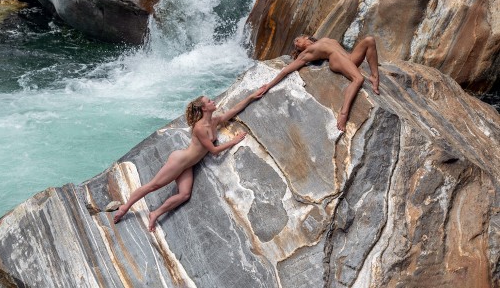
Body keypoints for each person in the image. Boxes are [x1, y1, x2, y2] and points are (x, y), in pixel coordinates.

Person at [113, 89, 264, 232]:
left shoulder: (214, 121)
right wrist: (234, 141)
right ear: (204, 108)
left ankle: (155, 214)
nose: (213, 101)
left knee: (184, 195)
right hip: (179, 161)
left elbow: (234, 110)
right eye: (209, 101)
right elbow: (214, 151)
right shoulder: (199, 128)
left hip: (188, 165)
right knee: (153, 185)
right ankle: (125, 207)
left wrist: (251, 97)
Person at [258, 35, 380, 132]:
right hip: (336, 59)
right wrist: (268, 85)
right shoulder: (306, 53)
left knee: (369, 40)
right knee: (358, 79)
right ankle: (344, 113)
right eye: (296, 46)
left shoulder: (324, 39)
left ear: (306, 37)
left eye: (297, 40)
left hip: (350, 58)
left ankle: (374, 76)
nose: (295, 44)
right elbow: (285, 71)